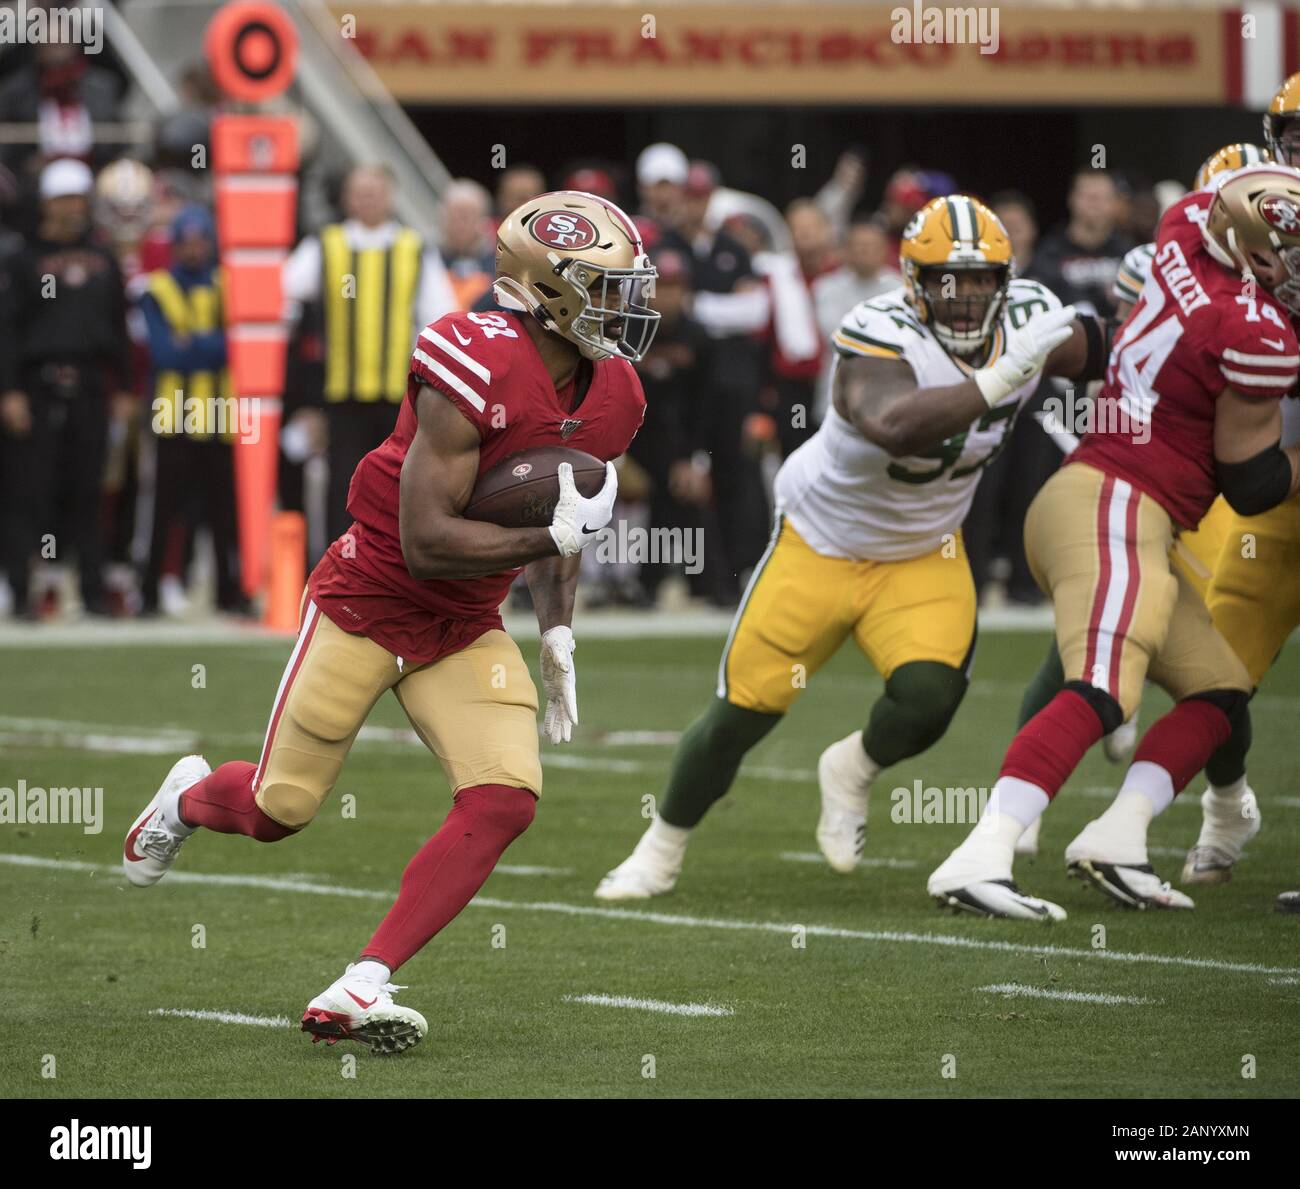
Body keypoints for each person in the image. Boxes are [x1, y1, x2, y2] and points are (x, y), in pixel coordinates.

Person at [122, 192, 658, 1054]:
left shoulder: (616, 393)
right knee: (279, 807)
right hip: (372, 599)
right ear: (546, 289)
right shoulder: (469, 356)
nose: (626, 305)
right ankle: (185, 801)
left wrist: (556, 627)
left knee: (506, 796)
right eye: (604, 286)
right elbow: (428, 540)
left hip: (465, 623)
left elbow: (571, 515)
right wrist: (552, 534)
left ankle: (361, 982)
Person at [595, 195, 1102, 901]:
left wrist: (1116, 330)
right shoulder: (877, 328)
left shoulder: (1028, 320)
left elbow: (1111, 355)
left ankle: (854, 767)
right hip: (822, 541)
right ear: (912, 282)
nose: (962, 299)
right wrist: (997, 377)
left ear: (1004, 280)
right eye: (945, 282)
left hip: (925, 547)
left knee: (931, 697)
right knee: (739, 715)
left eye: (979, 281)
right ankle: (661, 846)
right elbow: (892, 423)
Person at [928, 164, 1300, 919]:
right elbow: (1252, 481)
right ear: (1257, 249)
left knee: (1219, 692)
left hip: (1101, 498)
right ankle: (983, 851)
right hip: (1118, 503)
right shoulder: (1256, 331)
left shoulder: (1185, 228)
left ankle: (1119, 836)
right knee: (1103, 686)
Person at [282, 164, 457, 543]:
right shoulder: (325, 244)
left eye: (375, 193)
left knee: (396, 483)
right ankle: (339, 568)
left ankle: (393, 567)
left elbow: (440, 317)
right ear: (347, 198)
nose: (368, 200)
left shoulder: (414, 248)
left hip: (397, 396)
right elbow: (283, 297)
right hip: (340, 392)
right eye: (360, 193)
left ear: (390, 197)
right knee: (341, 484)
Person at [0, 157, 131, 618]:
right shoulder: (23, 258)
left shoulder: (103, 259)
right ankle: (22, 591)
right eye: (65, 199)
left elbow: (118, 326)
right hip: (37, 384)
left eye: (79, 198)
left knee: (88, 491)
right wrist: (9, 391)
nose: (74, 207)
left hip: (92, 383)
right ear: (47, 203)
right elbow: (8, 329)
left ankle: (92, 593)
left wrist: (125, 390)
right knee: (29, 491)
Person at [136, 204, 244, 615]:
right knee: (163, 509)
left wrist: (194, 344)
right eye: (188, 242)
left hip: (221, 413)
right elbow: (164, 355)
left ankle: (230, 594)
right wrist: (215, 344)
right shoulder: (156, 287)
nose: (195, 249)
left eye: (202, 241)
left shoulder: (228, 284)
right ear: (176, 245)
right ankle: (147, 595)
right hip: (174, 412)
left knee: (224, 512)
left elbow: (239, 347)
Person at [1032, 169, 1133, 318]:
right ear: (1071, 199)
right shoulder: (1048, 252)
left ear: (1115, 204)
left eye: (1103, 198)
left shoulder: (1129, 255)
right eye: (1087, 197)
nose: (1095, 204)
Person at [439, 178, 496, 310]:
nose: (458, 224)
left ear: (483, 221)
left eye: (465, 217)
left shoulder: (498, 269)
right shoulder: (429, 261)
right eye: (453, 216)